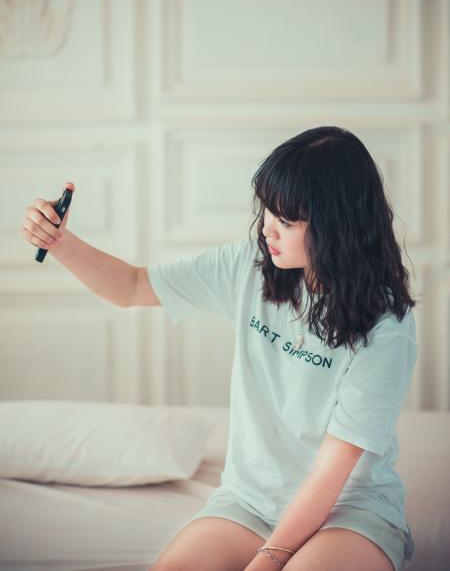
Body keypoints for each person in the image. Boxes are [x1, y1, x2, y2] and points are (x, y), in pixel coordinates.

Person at [21, 126, 418, 571]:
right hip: (249, 503)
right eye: (268, 208)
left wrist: (268, 560)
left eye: (287, 220)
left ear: (338, 226)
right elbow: (132, 287)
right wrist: (60, 243)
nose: (269, 227)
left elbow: (332, 471)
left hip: (348, 512)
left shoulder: (387, 326)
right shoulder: (247, 267)